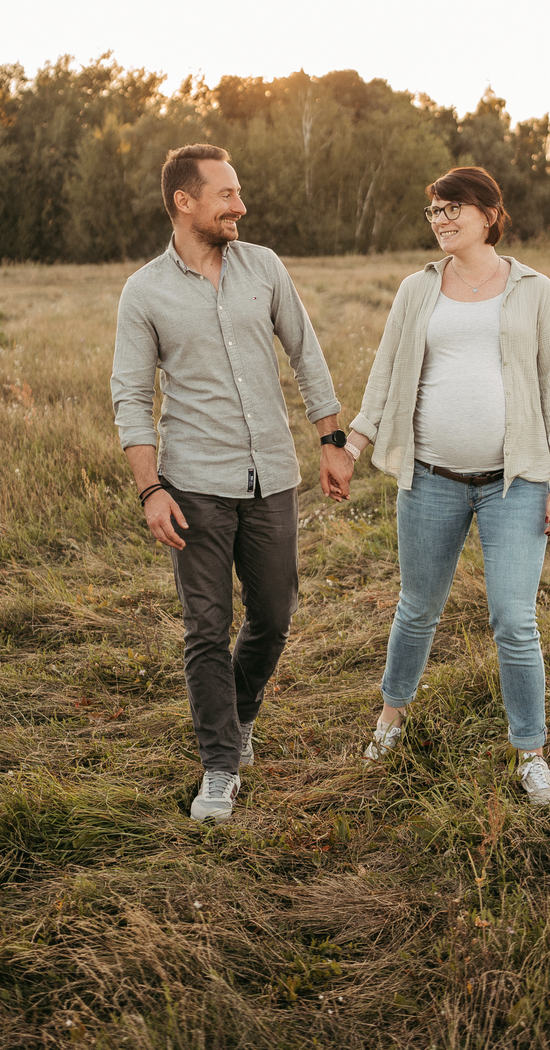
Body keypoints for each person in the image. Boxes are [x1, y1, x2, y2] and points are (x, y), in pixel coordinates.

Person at [110, 144, 351, 824]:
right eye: (226, 195)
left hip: (272, 475)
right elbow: (130, 396)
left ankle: (240, 712)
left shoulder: (264, 267)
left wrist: (332, 442)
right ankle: (219, 765)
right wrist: (150, 488)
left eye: (239, 193)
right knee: (205, 628)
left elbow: (307, 355)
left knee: (273, 617)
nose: (240, 206)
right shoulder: (144, 292)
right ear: (185, 202)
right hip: (193, 486)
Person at [340, 166, 550, 806]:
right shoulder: (417, 290)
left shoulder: (533, 289)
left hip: (517, 483)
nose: (442, 220)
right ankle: (390, 719)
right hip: (431, 480)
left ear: (488, 213)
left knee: (514, 620)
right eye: (435, 211)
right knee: (417, 609)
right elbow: (386, 376)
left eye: (455, 209)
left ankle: (531, 756)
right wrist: (353, 446)